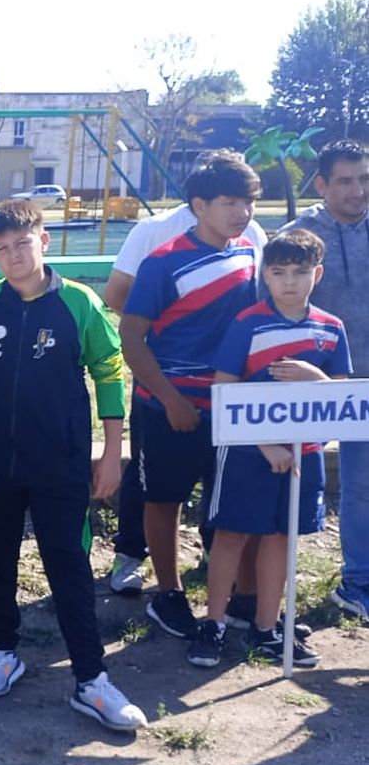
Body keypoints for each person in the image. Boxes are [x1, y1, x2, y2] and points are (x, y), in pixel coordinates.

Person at [0, 200, 146, 731]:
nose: (14, 256)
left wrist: (110, 454)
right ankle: (1, 651)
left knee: (69, 564)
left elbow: (109, 374)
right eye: (1, 249)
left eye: (22, 243)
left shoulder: (78, 304)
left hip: (60, 462)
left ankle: (91, 679)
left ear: (45, 241)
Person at [189, 228, 348, 668]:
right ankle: (214, 623)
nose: (290, 282)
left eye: (300, 272)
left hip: (304, 453)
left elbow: (339, 392)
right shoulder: (248, 324)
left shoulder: (330, 329)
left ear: (316, 273)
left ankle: (266, 626)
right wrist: (265, 445)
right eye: (279, 273)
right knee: (232, 535)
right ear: (265, 274)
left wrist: (311, 377)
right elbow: (224, 390)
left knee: (282, 537)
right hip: (246, 452)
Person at [120, 151, 261, 645]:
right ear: (199, 205)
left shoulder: (247, 252)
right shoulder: (163, 262)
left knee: (234, 502)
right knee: (164, 500)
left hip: (232, 405)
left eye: (246, 202)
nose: (241, 212)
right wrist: (172, 400)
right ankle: (169, 593)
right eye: (229, 202)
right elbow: (131, 339)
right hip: (169, 406)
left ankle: (244, 600)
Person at [281, 138, 369, 620]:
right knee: (282, 480)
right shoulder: (299, 235)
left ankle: (359, 583)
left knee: (361, 488)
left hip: (366, 386)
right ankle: (254, 588)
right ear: (322, 184)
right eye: (346, 181)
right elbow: (269, 302)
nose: (358, 190)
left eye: (365, 178)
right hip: (304, 386)